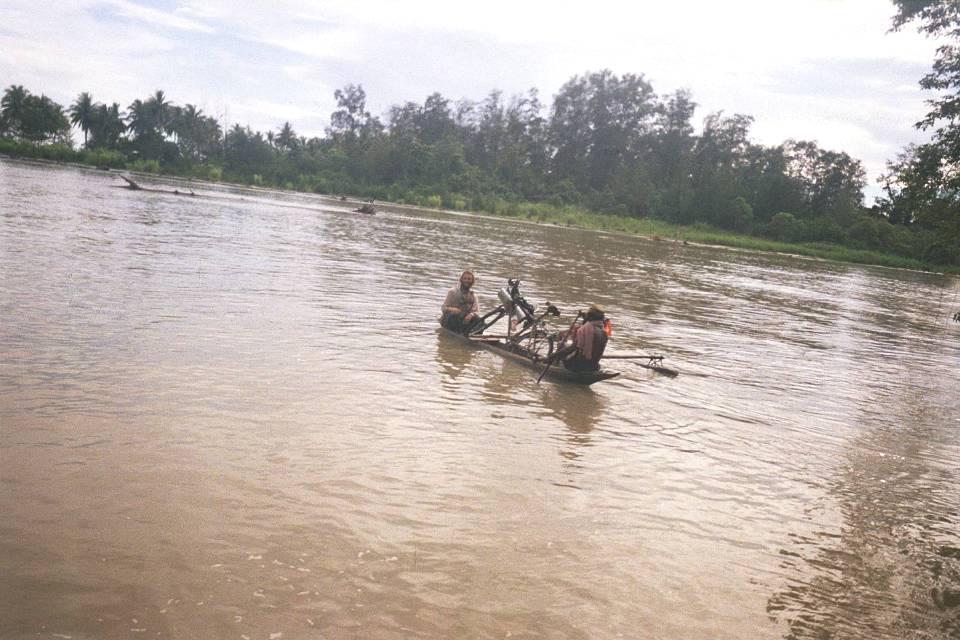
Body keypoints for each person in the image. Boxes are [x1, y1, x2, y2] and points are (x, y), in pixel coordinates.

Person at [560, 304, 609, 372]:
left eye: (588, 315)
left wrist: (553, 356)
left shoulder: (585, 329)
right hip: (594, 367)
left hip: (579, 366)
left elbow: (571, 348)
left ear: (590, 316)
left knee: (561, 346)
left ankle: (557, 364)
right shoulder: (604, 332)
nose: (587, 316)